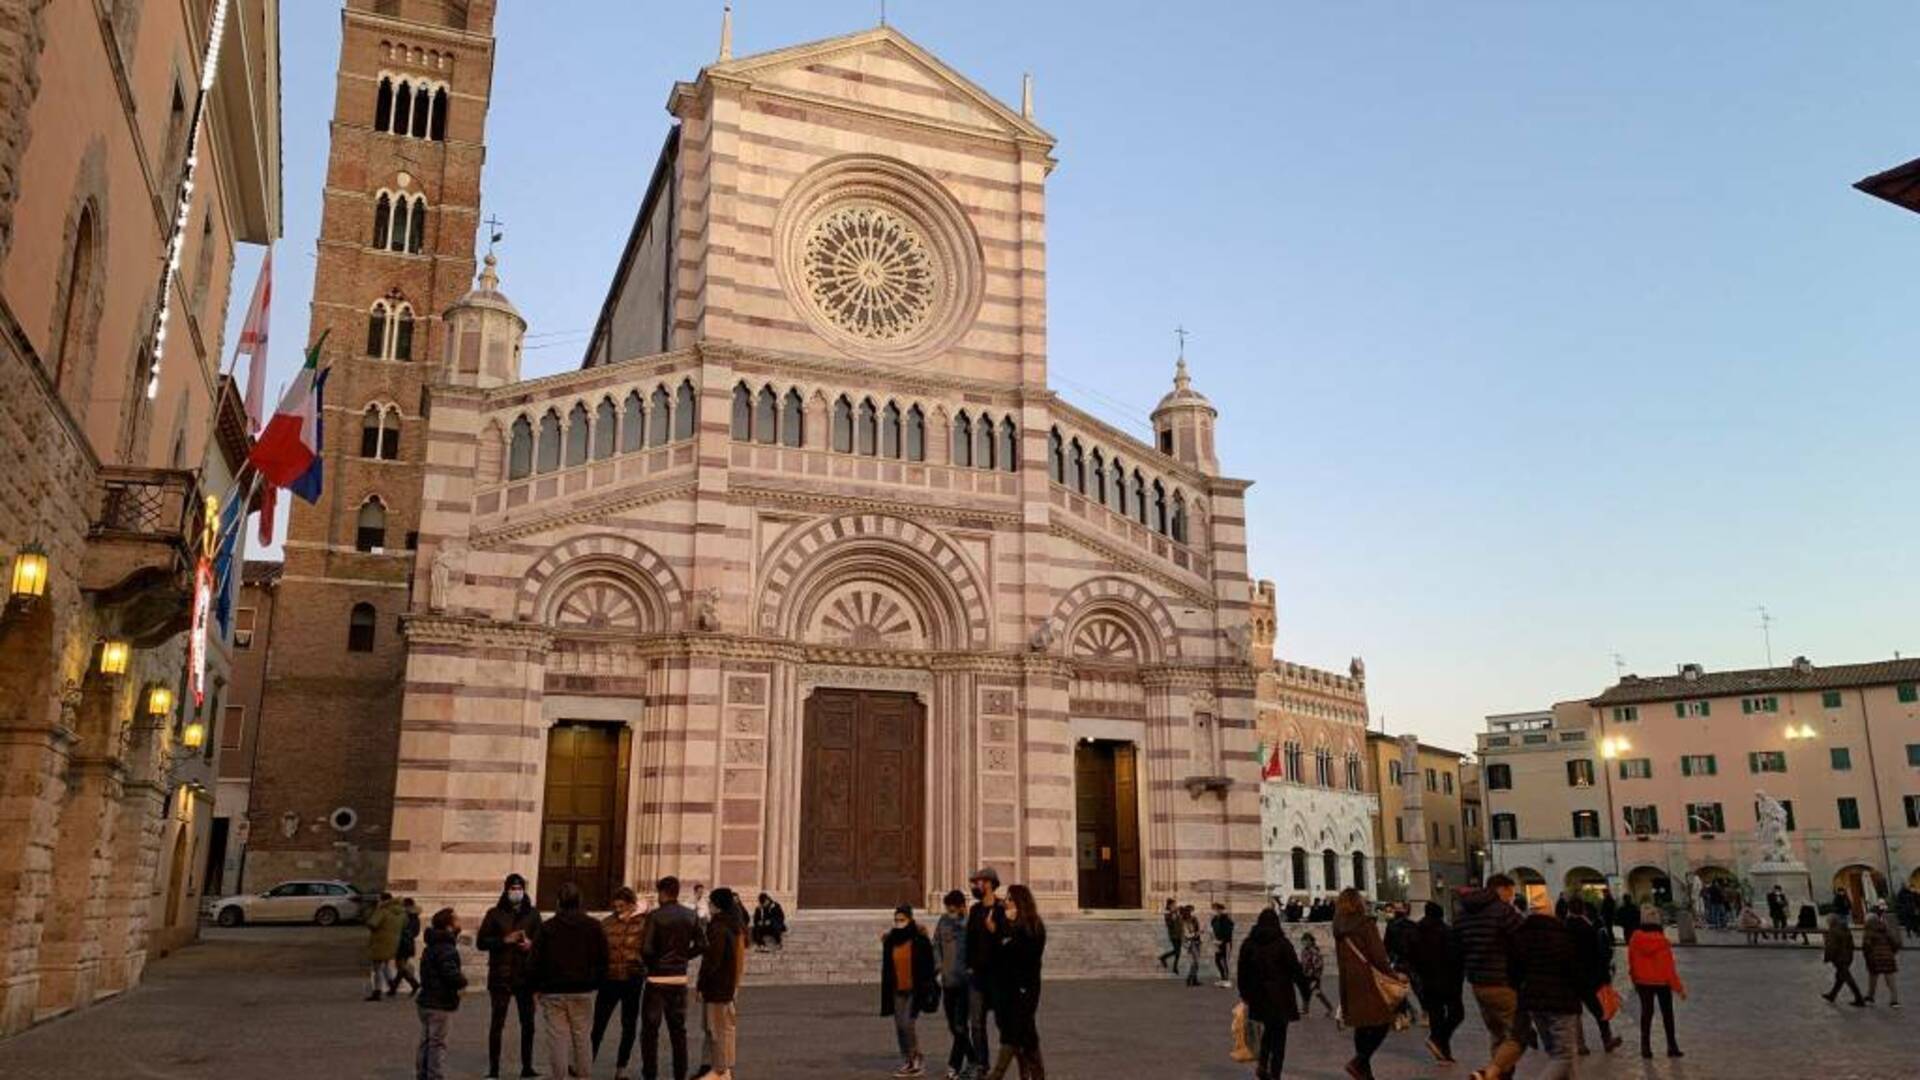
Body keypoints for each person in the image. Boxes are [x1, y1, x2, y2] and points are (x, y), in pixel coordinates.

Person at [531, 881, 610, 1080]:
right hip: (583, 990)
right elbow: (604, 958)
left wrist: (536, 987)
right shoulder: (594, 926)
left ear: (558, 902)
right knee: (582, 1037)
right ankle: (584, 1076)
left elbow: (535, 960)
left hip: (553, 991)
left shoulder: (547, 927)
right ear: (580, 901)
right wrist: (596, 983)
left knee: (558, 1040)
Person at [1453, 874, 1526, 1080]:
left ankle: (1499, 1077)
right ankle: (1489, 1072)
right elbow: (1523, 940)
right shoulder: (1503, 911)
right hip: (1502, 981)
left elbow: (1456, 946)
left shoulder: (1463, 913)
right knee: (1520, 1033)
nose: (1511, 898)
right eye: (1510, 893)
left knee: (1498, 1034)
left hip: (1477, 982)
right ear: (1500, 889)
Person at [1509, 891, 1587, 1080]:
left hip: (1535, 1003)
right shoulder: (1561, 934)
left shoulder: (1520, 936)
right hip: (1561, 1002)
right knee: (1564, 1056)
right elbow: (1573, 969)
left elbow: (1514, 971)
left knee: (1556, 1053)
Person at [477, 872, 543, 1080]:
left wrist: (530, 944)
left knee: (528, 1024)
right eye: (513, 888)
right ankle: (494, 1069)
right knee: (497, 1023)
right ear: (506, 890)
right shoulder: (494, 913)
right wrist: (504, 940)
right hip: (500, 975)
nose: (516, 891)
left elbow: (541, 944)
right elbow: (481, 942)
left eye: (519, 888)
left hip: (525, 976)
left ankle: (527, 1067)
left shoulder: (532, 914)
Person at [1237, 909, 1313, 1080]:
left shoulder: (1248, 944)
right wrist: (1305, 992)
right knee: (1279, 1036)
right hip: (1280, 998)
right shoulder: (1283, 944)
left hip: (1258, 998)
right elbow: (1296, 970)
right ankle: (1275, 1072)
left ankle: (1263, 1064)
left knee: (1269, 1030)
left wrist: (1244, 994)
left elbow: (1242, 972)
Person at [1332, 887, 1396, 1080]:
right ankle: (1360, 1061)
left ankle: (1364, 1071)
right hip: (1368, 979)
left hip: (1349, 980)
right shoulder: (1366, 924)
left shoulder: (1338, 927)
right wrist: (1391, 973)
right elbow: (1378, 955)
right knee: (1383, 1021)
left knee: (1361, 1024)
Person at [983, 883, 1045, 1080]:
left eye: (1009, 899)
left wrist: (1006, 929)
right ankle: (1032, 1075)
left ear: (1020, 902)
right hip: (1005, 988)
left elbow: (1024, 955)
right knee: (1025, 1033)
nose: (1005, 903)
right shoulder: (1006, 924)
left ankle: (997, 1074)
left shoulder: (1033, 926)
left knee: (1014, 1030)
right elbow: (997, 954)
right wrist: (996, 931)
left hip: (1024, 989)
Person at [642, 875, 700, 1080]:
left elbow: (646, 948)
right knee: (678, 1032)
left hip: (657, 981)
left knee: (650, 1032)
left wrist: (653, 965)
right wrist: (684, 957)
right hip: (678, 980)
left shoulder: (655, 916)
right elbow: (702, 945)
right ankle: (679, 1074)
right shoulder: (690, 915)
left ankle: (650, 1074)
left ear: (663, 893)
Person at [593, 886, 649, 1080]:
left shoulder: (644, 923)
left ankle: (621, 1068)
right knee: (598, 1023)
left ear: (632, 905)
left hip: (632, 979)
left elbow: (649, 948)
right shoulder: (606, 924)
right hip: (609, 980)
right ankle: (585, 1063)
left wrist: (641, 965)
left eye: (622, 906)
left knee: (629, 1025)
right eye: (616, 906)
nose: (618, 910)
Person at [880, 904, 939, 1078]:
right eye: (896, 920)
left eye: (902, 920)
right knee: (899, 1025)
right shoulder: (891, 941)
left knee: (908, 1024)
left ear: (910, 919)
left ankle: (916, 1058)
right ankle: (908, 1059)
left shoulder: (919, 940)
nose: (899, 923)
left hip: (915, 988)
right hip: (898, 988)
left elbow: (929, 963)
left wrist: (929, 984)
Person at [697, 887, 747, 1080]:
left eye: (710, 902)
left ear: (717, 906)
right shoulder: (733, 925)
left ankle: (721, 1071)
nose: (708, 905)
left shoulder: (718, 928)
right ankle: (717, 1068)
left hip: (717, 988)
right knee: (721, 1028)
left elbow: (712, 961)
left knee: (718, 1029)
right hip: (725, 986)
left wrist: (702, 984)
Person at [1409, 901, 1465, 1064]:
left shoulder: (1415, 931)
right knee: (1457, 1014)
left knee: (1436, 1015)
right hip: (1447, 980)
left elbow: (1411, 955)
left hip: (1426, 980)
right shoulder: (1446, 932)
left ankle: (1442, 1051)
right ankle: (1438, 1039)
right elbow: (1456, 957)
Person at [415, 907, 467, 1080]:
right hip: (439, 1002)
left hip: (427, 1000)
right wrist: (462, 981)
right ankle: (434, 1076)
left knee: (427, 1041)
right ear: (449, 926)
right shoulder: (446, 948)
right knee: (437, 1043)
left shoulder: (432, 945)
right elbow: (450, 973)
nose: (460, 923)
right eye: (456, 920)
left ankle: (423, 1074)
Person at [1628, 904, 1687, 1057]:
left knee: (1646, 1014)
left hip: (1643, 981)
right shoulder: (1662, 941)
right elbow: (1668, 968)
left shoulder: (1635, 938)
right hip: (1662, 982)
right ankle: (1671, 1045)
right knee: (1667, 1014)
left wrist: (1634, 978)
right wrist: (1678, 988)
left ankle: (1645, 1047)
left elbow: (1632, 961)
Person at [1565, 898, 1622, 1054]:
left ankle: (1580, 1044)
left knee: (1575, 1012)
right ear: (1583, 910)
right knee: (1598, 1009)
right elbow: (1597, 954)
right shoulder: (1589, 928)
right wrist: (1604, 975)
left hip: (1571, 976)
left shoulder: (1564, 928)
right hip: (1589, 976)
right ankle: (1607, 1039)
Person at [965, 868, 1006, 1076]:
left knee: (1002, 1023)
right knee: (976, 1023)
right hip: (977, 976)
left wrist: (995, 930)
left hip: (997, 976)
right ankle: (982, 1064)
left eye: (978, 882)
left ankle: (1007, 1061)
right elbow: (969, 940)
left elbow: (1009, 940)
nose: (975, 886)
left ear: (989, 883)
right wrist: (969, 966)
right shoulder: (975, 910)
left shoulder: (1002, 908)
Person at [933, 889, 974, 1080]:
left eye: (953, 909)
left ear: (961, 907)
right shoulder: (943, 922)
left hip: (965, 983)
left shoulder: (970, 925)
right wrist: (938, 968)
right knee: (953, 1026)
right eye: (947, 908)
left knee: (959, 1025)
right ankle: (974, 1058)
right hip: (948, 982)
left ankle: (953, 1067)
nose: (950, 912)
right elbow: (936, 946)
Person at [1382, 903, 1420, 1025]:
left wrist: (1388, 958)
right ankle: (1424, 1012)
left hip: (1397, 961)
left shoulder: (1391, 926)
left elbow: (1386, 945)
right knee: (1417, 988)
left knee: (1398, 989)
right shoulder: (1413, 926)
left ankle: (1403, 1016)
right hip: (1412, 960)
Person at [365, 892, 405, 1002]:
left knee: (377, 968)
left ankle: (377, 991)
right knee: (386, 964)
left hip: (380, 941)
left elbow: (373, 924)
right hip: (393, 941)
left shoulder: (382, 911)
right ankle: (392, 985)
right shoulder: (400, 912)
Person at [1821, 910, 1866, 1008]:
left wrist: (1827, 957)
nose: (1827, 923)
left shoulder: (1833, 931)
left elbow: (1831, 947)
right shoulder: (1845, 929)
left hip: (1839, 958)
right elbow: (1851, 944)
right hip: (1848, 956)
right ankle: (1832, 995)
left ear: (1831, 921)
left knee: (1847, 978)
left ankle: (1859, 998)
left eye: (1827, 921)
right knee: (1840, 977)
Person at [1862, 904, 1901, 1007]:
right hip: (1888, 957)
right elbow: (1894, 942)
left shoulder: (1868, 931)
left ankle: (1870, 997)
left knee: (1873, 978)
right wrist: (1892, 952)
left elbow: (1866, 946)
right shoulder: (1885, 928)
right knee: (1890, 980)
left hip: (1874, 958)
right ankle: (1894, 1001)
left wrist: (1867, 957)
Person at [1298, 932, 1335, 1017]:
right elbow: (1303, 962)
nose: (1305, 942)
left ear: (1311, 941)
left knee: (1316, 993)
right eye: (1304, 941)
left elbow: (1319, 964)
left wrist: (1315, 974)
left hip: (1313, 976)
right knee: (1307, 992)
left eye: (1307, 940)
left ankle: (1329, 1008)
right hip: (1306, 975)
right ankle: (1305, 1009)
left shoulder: (1314, 951)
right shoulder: (1304, 951)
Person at [391, 897, 422, 997]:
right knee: (400, 966)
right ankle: (394, 987)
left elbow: (412, 932)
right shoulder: (413, 916)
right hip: (406, 943)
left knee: (400, 966)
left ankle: (414, 984)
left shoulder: (410, 917)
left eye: (404, 905)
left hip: (404, 944)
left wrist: (402, 933)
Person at [1211, 902, 1236, 988]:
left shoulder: (1225, 919)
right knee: (1217, 960)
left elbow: (1229, 930)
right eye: (1213, 909)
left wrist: (1223, 940)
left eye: (1215, 909)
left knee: (1224, 961)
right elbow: (1213, 930)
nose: (1214, 911)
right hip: (1217, 943)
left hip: (1225, 943)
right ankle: (1223, 978)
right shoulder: (1214, 919)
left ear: (1220, 910)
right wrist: (1215, 940)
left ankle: (1227, 980)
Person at [1157, 897, 1181, 972]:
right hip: (1173, 934)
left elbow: (1179, 921)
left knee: (1178, 951)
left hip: (1179, 933)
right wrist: (1173, 917)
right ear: (1170, 905)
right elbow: (1168, 924)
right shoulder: (1168, 914)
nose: (1175, 905)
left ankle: (1175, 967)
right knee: (1176, 951)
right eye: (1174, 904)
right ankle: (1163, 957)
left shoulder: (1176, 912)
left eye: (1175, 904)